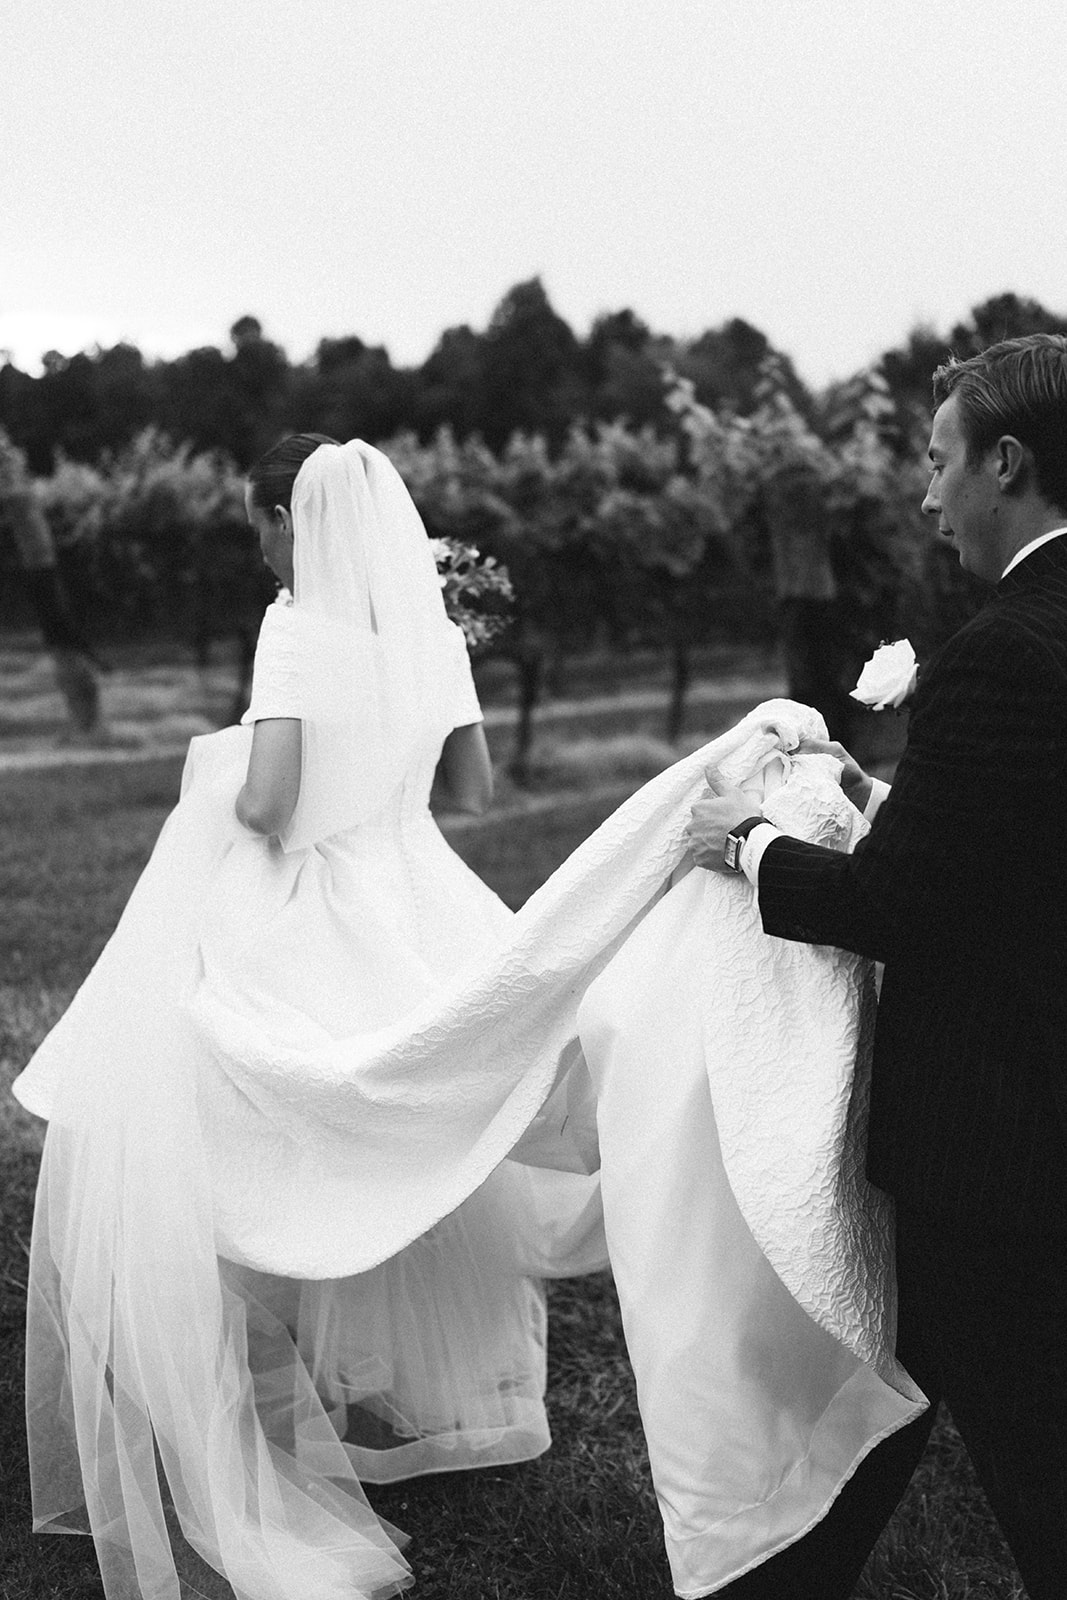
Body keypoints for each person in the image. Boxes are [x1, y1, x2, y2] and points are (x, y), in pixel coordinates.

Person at [13, 435, 605, 1600]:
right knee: (403, 1145)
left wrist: (224, 771)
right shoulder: (431, 633)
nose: (257, 544)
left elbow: (274, 808)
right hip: (414, 897)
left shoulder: (295, 631)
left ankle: (269, 1393)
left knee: (265, 1135)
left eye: (260, 520)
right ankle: (391, 1397)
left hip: (309, 899)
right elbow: (471, 790)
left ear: (294, 517)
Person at [685, 333, 1067, 1599]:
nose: (920, 494)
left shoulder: (1004, 649)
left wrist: (741, 843)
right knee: (902, 1393)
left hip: (1000, 1146)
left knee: (1010, 1438)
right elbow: (1019, 835)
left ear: (1003, 464)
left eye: (934, 460)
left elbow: (894, 903)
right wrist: (898, 789)